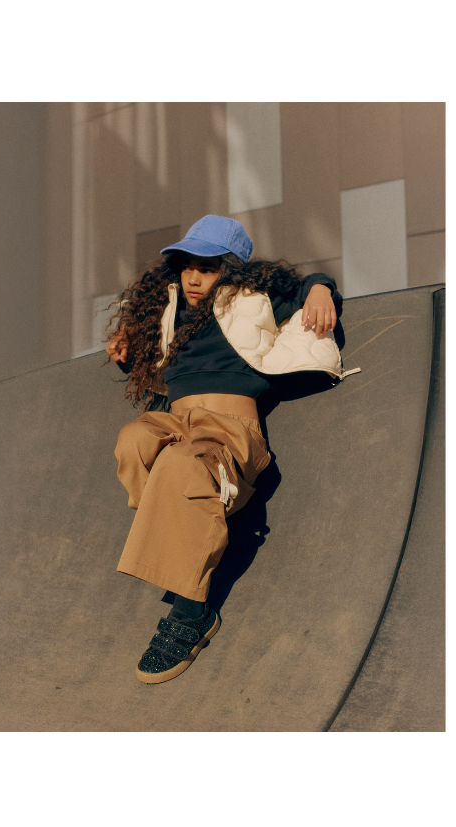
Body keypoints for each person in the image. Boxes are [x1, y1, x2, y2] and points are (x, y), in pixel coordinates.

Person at [106, 215, 357, 685]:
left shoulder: (252, 300)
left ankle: (192, 613)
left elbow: (307, 288)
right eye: (187, 267)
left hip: (229, 426)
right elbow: (149, 357)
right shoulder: (168, 313)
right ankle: (191, 516)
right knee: (133, 440)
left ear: (232, 270)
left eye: (208, 268)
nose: (194, 278)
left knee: (180, 465)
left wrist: (323, 289)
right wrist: (126, 345)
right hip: (176, 421)